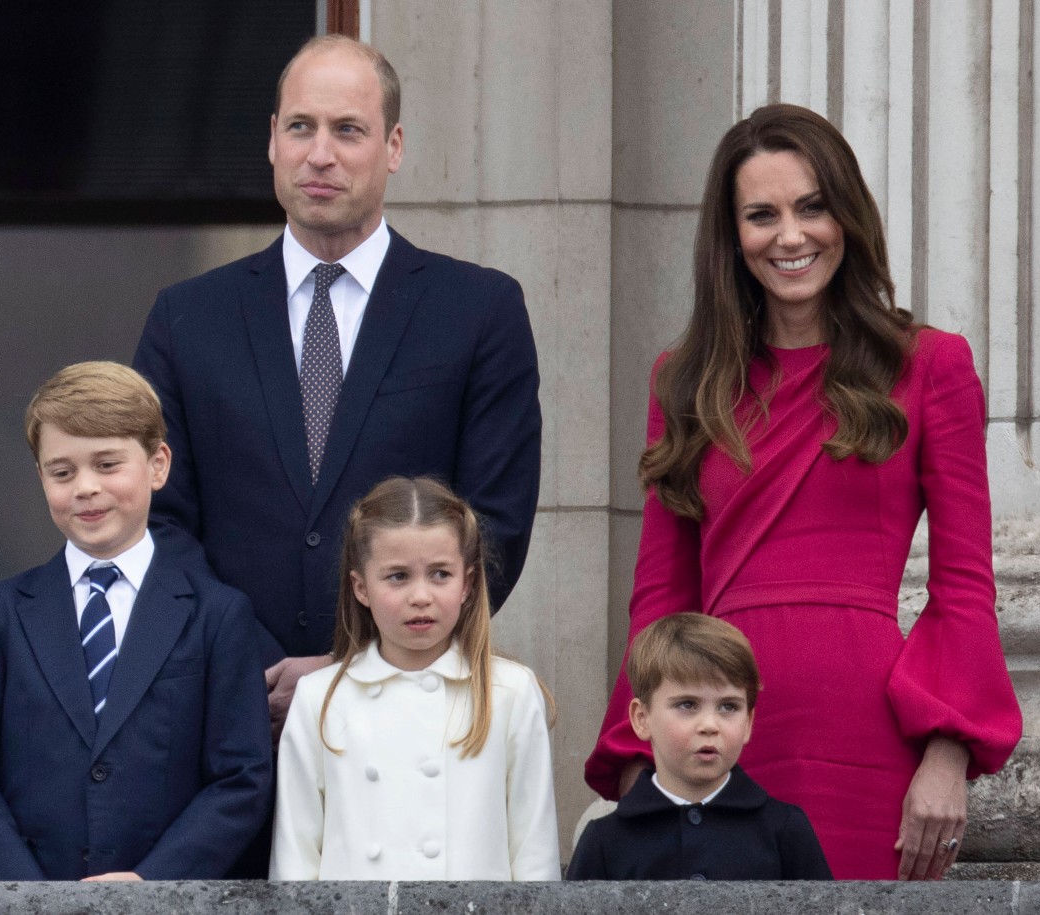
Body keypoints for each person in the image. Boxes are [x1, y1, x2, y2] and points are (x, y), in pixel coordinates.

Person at [584, 104, 1022, 880]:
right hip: (715, 732)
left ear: (846, 216)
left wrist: (948, 752)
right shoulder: (682, 378)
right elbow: (660, 595)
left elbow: (963, 583)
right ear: (733, 237)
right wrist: (635, 753)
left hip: (868, 741)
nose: (790, 236)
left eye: (811, 207)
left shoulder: (930, 365)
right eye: (762, 215)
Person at [132, 34, 541, 740]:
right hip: (226, 725)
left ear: (394, 146)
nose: (320, 153)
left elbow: (493, 522)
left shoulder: (478, 311)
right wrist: (246, 660)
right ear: (271, 140)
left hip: (407, 719)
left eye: (348, 130)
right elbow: (154, 518)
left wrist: (357, 664)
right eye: (301, 127)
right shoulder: (186, 317)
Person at [0, 362, 272, 880]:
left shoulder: (218, 615)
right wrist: (29, 897)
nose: (85, 487)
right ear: (41, 477)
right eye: (62, 472)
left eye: (107, 464)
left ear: (158, 465)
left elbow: (241, 778)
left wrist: (151, 884)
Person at [270, 477, 559, 880]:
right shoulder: (319, 699)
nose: (420, 596)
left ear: (468, 584)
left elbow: (534, 856)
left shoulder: (510, 692)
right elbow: (295, 860)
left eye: (440, 574)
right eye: (397, 576)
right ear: (361, 587)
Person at [567, 613, 830, 880]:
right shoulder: (604, 840)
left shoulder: (785, 831)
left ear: (748, 722)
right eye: (687, 705)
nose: (709, 725)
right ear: (641, 719)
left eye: (729, 707)